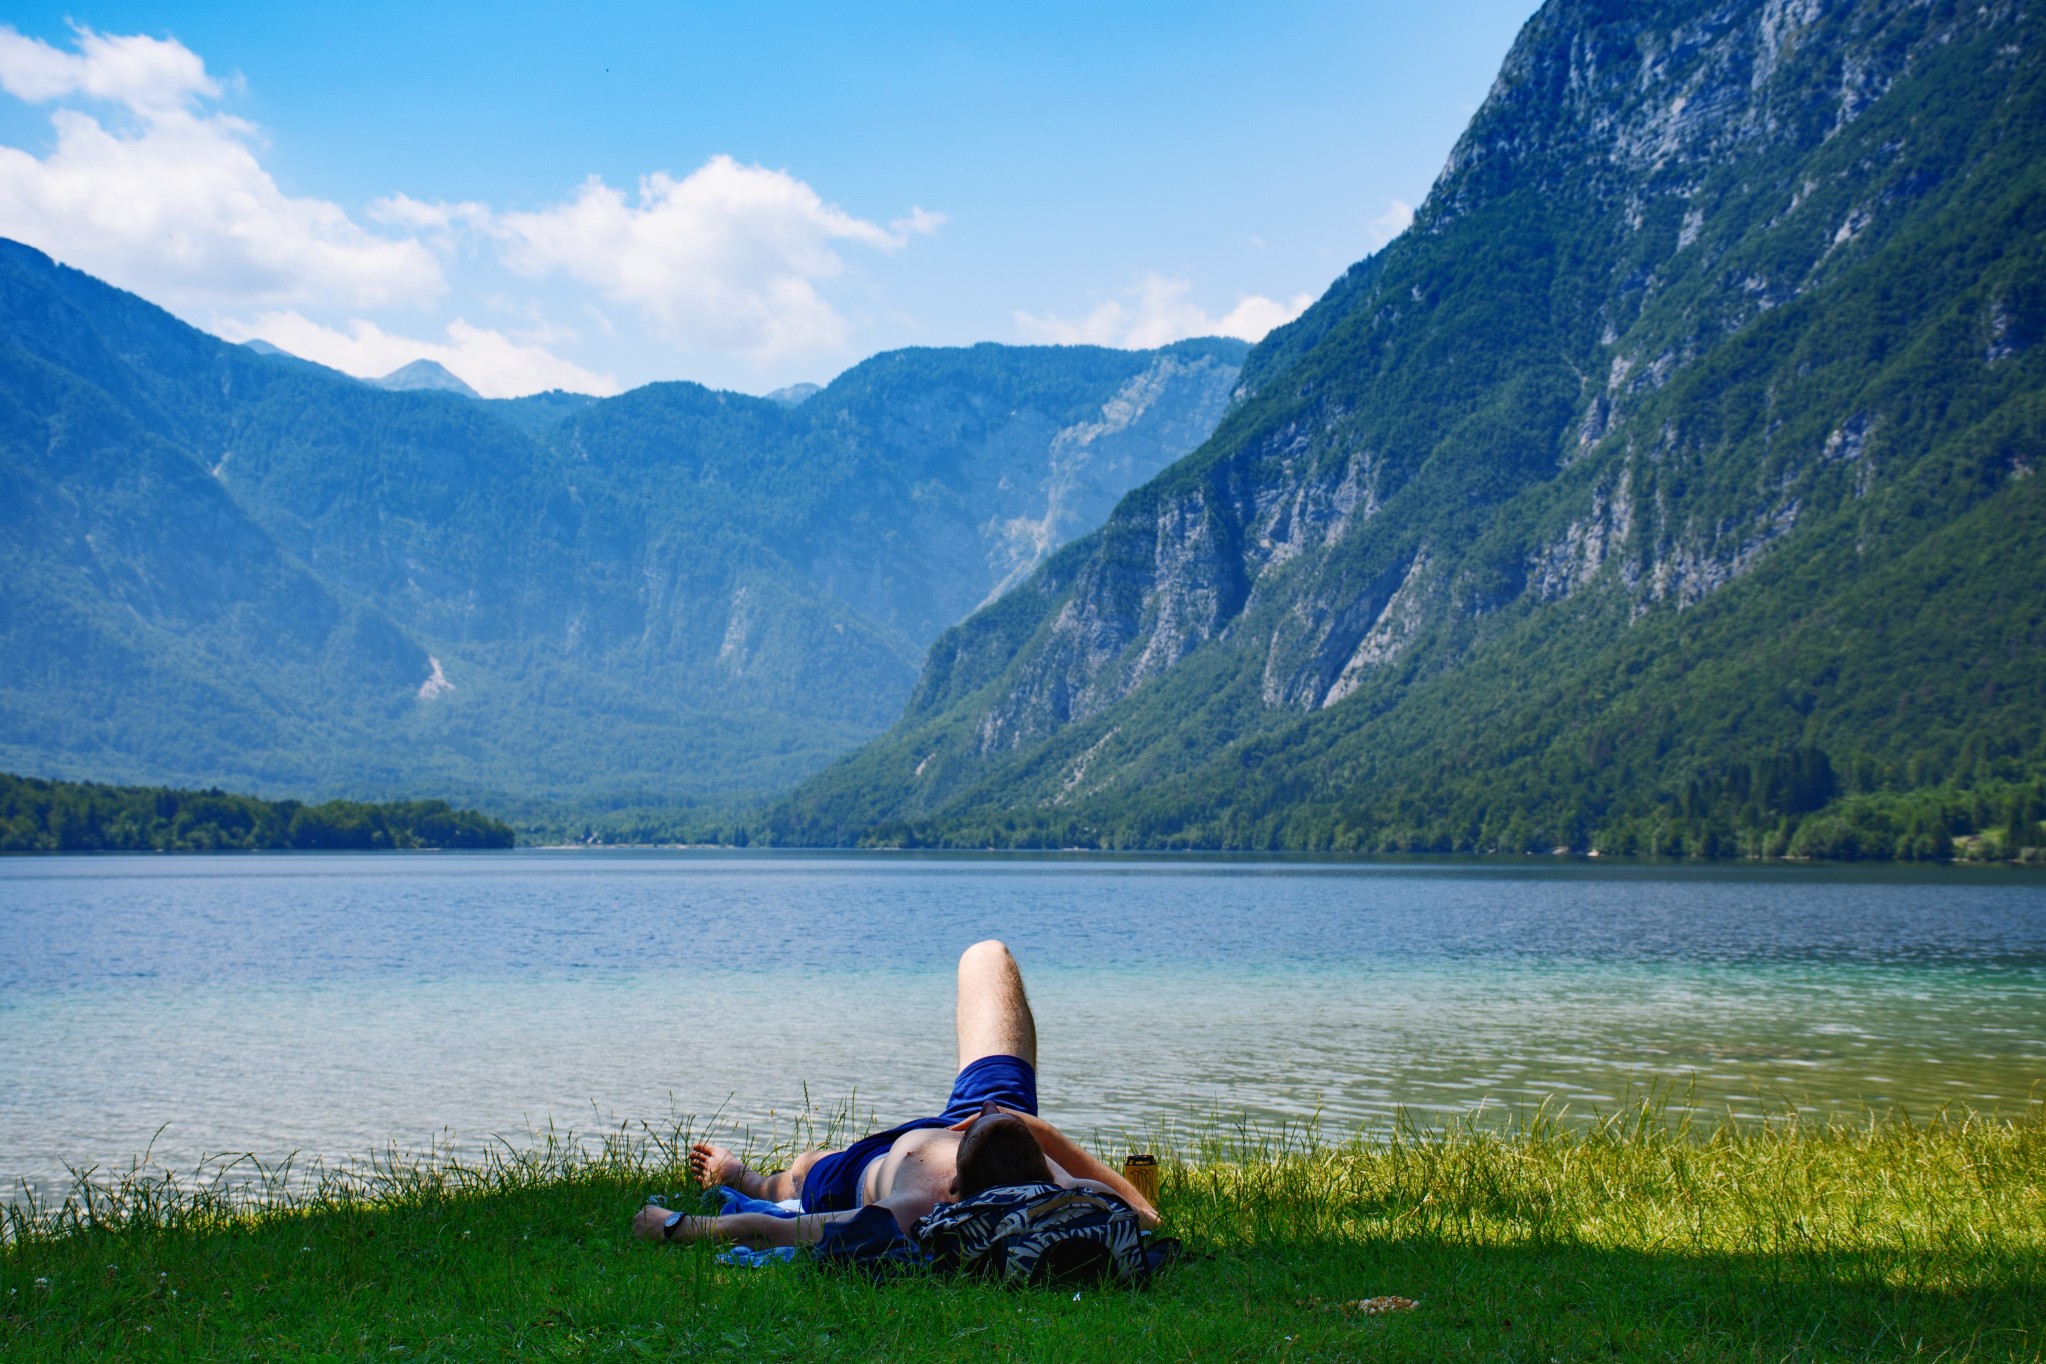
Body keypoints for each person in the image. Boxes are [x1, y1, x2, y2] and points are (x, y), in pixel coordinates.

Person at [632, 940, 1159, 1249]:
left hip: (868, 1171)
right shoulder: (1061, 1186)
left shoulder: (913, 1206)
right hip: (979, 1125)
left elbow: (780, 1229)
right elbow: (1147, 1217)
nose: (995, 1112)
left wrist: (681, 1226)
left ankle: (740, 1173)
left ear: (952, 1190)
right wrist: (1033, 1129)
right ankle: (1001, 1124)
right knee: (988, 955)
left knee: (803, 1171)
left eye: (993, 1120)